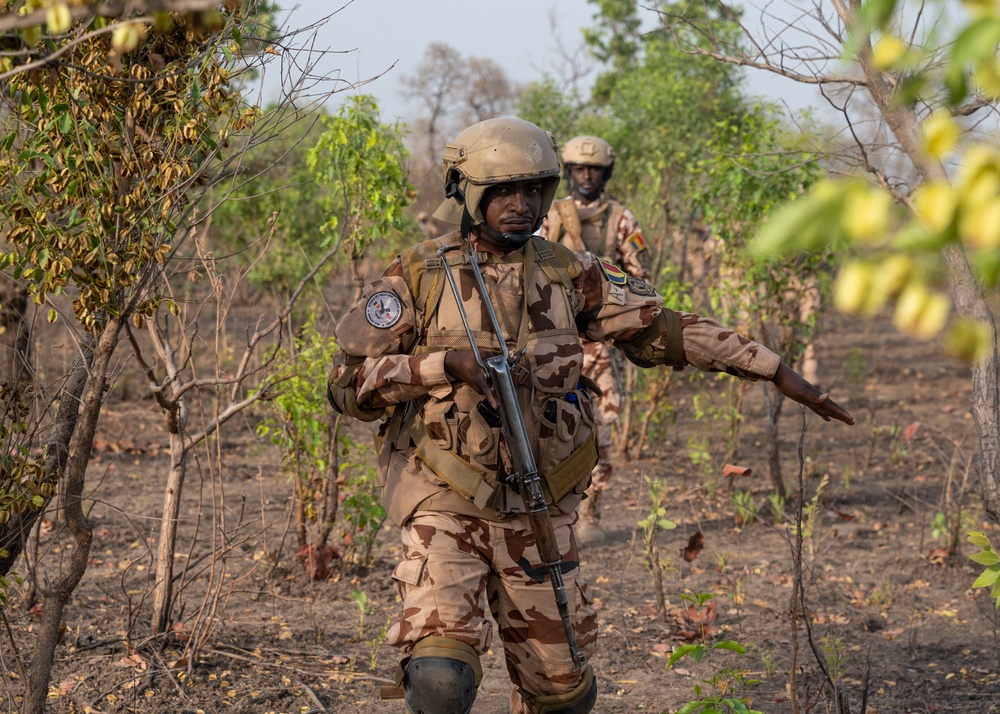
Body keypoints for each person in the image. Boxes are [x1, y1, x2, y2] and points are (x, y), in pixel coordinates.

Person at [327, 117, 853, 714]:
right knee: (440, 681)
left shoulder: (570, 274)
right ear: (467, 192)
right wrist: (440, 366)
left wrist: (777, 371)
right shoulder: (417, 276)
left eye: (533, 190)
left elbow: (667, 329)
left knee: (565, 696)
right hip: (446, 498)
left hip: (540, 507)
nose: (521, 205)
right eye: (503, 191)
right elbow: (345, 386)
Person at [538, 135, 650, 544]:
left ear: (606, 173)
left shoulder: (622, 218)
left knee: (600, 427)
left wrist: (603, 297)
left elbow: (641, 283)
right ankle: (555, 512)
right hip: (551, 340)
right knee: (545, 425)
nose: (587, 176)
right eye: (580, 169)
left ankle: (591, 512)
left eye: (595, 170)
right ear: (568, 171)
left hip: (600, 343)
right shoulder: (548, 215)